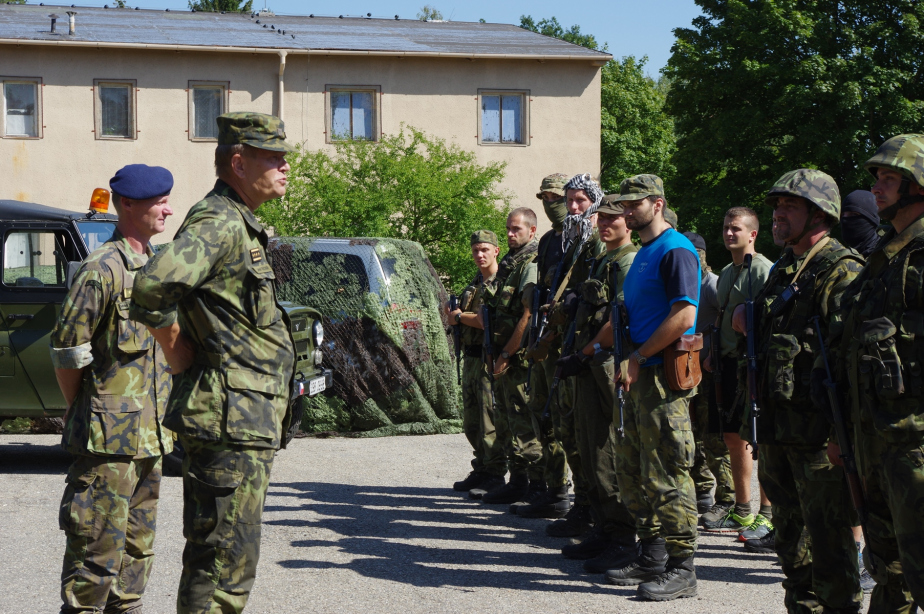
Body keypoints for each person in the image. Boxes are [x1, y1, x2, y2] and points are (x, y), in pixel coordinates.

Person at [129, 112, 297, 613]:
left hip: (242, 418)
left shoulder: (237, 221)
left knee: (229, 559)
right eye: (274, 157)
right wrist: (176, 350)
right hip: (229, 419)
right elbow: (151, 286)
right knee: (222, 563)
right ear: (239, 163)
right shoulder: (219, 222)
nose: (285, 166)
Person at [732, 169, 863, 613]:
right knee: (792, 547)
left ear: (819, 213)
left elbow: (849, 362)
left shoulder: (840, 269)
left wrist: (840, 439)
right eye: (776, 206)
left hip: (819, 442)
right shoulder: (786, 268)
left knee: (829, 551)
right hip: (779, 431)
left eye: (790, 206)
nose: (777, 214)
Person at [52, 164, 175, 614]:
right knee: (94, 557)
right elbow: (68, 352)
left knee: (136, 556)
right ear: (128, 205)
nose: (168, 209)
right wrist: (81, 408)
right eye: (160, 202)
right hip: (107, 443)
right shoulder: (101, 270)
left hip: (152, 438)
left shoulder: (157, 267)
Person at [837, 133, 924, 610]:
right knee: (887, 571)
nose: (877, 188)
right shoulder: (883, 256)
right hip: (875, 441)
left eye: (891, 178)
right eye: (877, 178)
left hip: (916, 446)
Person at [607, 174, 701, 601]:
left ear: (657, 203)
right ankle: (652, 556)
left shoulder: (675, 250)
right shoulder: (645, 252)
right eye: (624, 204)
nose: (627, 210)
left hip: (661, 375)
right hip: (638, 374)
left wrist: (639, 356)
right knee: (632, 469)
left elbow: (684, 316)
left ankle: (682, 568)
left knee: (667, 472)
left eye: (635, 203)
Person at [555, 194, 639, 574]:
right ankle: (604, 528)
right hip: (591, 364)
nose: (605, 224)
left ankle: (622, 537)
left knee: (610, 451)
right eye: (600, 218)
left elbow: (618, 318)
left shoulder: (629, 261)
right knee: (590, 447)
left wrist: (585, 352)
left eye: (612, 219)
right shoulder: (604, 259)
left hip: (607, 364)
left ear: (628, 222)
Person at [539, 173, 607, 542]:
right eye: (570, 201)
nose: (574, 207)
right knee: (570, 431)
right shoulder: (573, 241)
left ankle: (599, 515)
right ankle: (584, 505)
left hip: (594, 351)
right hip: (571, 344)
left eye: (581, 200)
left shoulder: (598, 243)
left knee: (593, 439)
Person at [702, 208, 775, 541]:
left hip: (753, 366)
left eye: (736, 228)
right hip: (727, 365)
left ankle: (768, 514)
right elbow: (722, 316)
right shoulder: (728, 272)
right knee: (733, 437)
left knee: (761, 440)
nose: (729, 233)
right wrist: (712, 353)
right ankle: (742, 509)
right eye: (726, 228)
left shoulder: (762, 270)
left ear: (752, 234)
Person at [514, 174, 579, 519]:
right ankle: (551, 488)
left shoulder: (579, 237)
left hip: (562, 340)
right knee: (542, 413)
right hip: (542, 337)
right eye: (546, 198)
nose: (551, 204)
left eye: (557, 198)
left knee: (562, 419)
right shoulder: (549, 241)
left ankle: (566, 493)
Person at [479, 208, 541, 505]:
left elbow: (527, 316)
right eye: (507, 228)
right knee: (506, 420)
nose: (509, 234)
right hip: (503, 355)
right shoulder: (510, 263)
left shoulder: (531, 263)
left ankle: (536, 484)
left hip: (518, 359)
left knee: (524, 423)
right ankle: (518, 481)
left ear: (532, 230)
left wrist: (506, 352)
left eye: (516, 229)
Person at [449, 231, 507, 495]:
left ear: (496, 250)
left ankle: (494, 473)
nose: (480, 255)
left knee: (488, 421)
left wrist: (459, 317)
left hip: (487, 358)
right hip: (471, 358)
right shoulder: (475, 283)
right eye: (475, 250)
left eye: (485, 249)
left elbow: (486, 321)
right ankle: (481, 468)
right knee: (472, 422)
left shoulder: (499, 283)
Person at [682, 231, 734, 520]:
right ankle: (702, 489)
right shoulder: (685, 283)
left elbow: (725, 322)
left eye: (696, 252)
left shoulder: (711, 284)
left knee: (714, 437)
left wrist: (712, 352)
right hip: (685, 371)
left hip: (709, 372)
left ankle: (727, 497)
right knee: (692, 434)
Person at [840, 189, 880, 258]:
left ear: (871, 219)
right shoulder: (842, 257)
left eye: (854, 214)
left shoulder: (884, 255)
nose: (845, 220)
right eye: (843, 215)